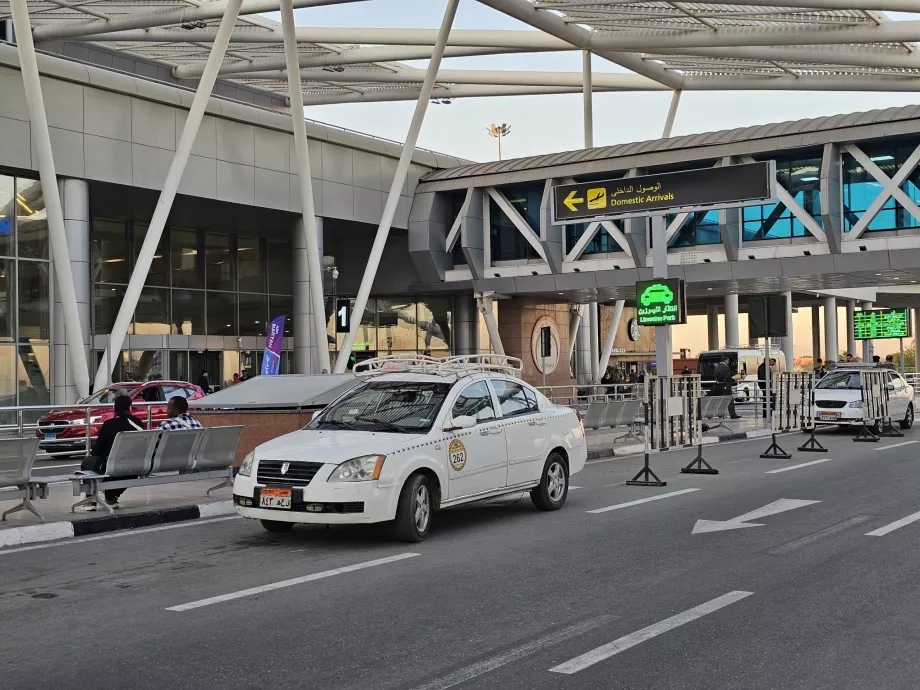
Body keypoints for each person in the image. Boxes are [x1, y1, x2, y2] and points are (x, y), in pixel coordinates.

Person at [81, 395, 144, 509]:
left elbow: (97, 450)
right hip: (135, 467)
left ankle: (90, 500)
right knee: (121, 465)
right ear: (130, 407)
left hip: (111, 465)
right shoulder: (139, 424)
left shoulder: (109, 424)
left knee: (87, 462)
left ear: (115, 408)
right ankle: (111, 496)